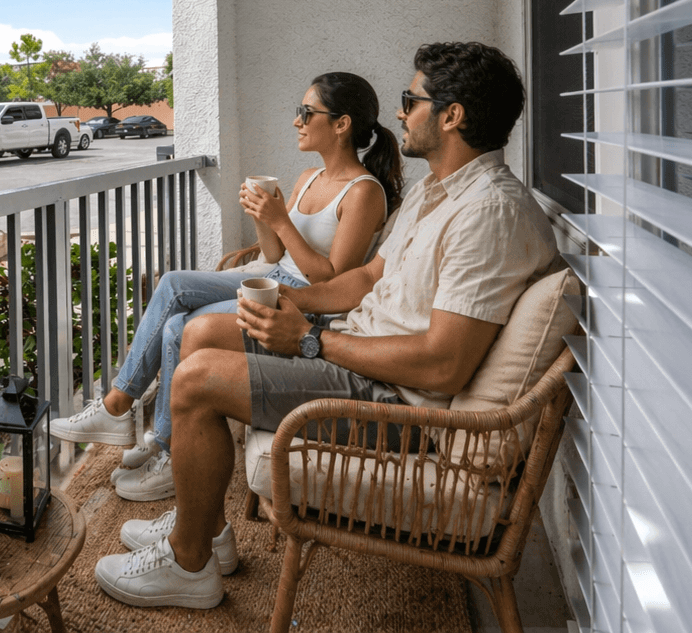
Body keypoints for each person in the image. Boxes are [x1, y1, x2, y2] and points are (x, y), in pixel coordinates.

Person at [93, 42, 560, 610]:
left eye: (410, 100)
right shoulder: (436, 192)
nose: (399, 113)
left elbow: (443, 364)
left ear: (452, 115)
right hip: (356, 347)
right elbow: (364, 279)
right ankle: (206, 530)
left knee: (196, 379)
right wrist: (293, 303)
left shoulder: (490, 213)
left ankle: (188, 567)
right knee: (199, 333)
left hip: (396, 400)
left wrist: (312, 339)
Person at [51, 72, 404, 506]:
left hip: (299, 301)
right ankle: (121, 410)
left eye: (306, 112)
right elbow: (274, 253)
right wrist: (261, 213)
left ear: (341, 124)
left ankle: (164, 446)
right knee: (174, 284)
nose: (297, 121)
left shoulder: (364, 192)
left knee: (181, 325)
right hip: (269, 276)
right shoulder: (309, 177)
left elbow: (331, 279)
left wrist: (279, 219)